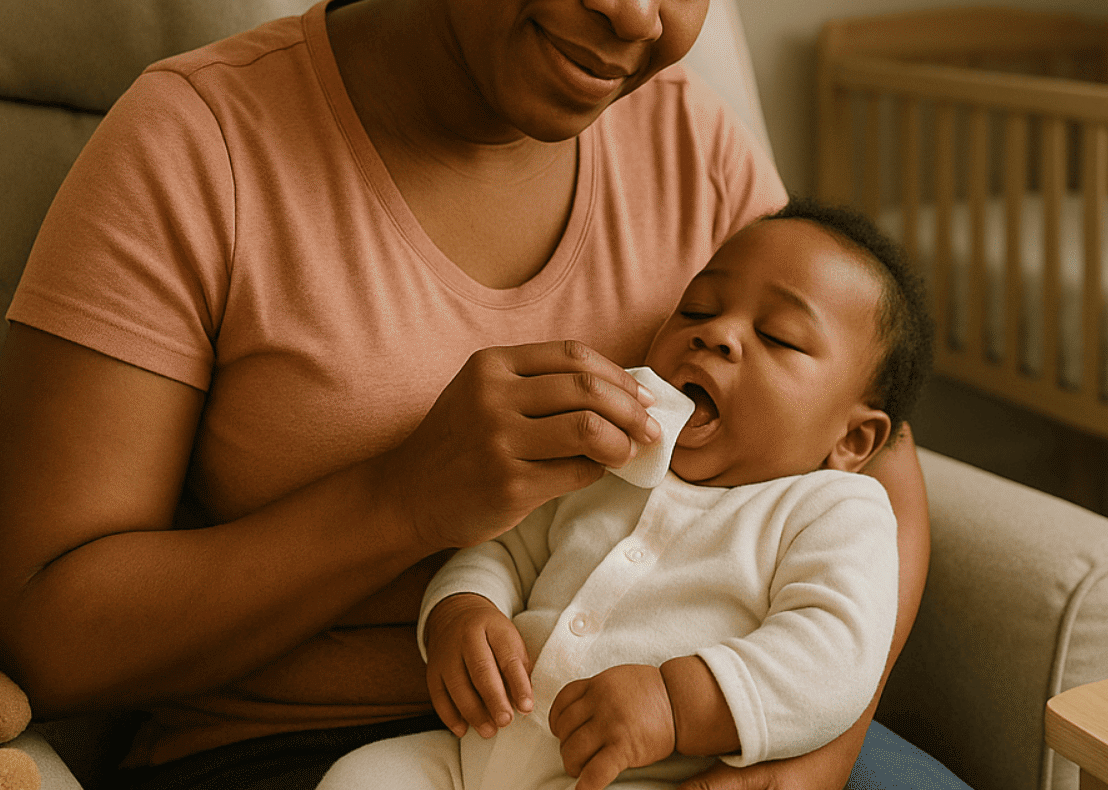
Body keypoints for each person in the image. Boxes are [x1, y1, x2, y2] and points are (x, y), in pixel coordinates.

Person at [0, 0, 960, 788]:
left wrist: (809, 751)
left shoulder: (693, 145)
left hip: (659, 736)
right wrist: (400, 502)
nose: (635, 10)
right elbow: (39, 629)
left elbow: (879, 473)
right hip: (302, 753)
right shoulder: (195, 146)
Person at [316, 198, 934, 790]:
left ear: (852, 439)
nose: (716, 334)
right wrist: (465, 609)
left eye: (779, 336)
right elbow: (505, 550)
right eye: (696, 310)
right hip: (477, 757)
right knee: (360, 778)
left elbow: (832, 655)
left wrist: (676, 701)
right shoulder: (608, 457)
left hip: (647, 776)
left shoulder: (831, 511)